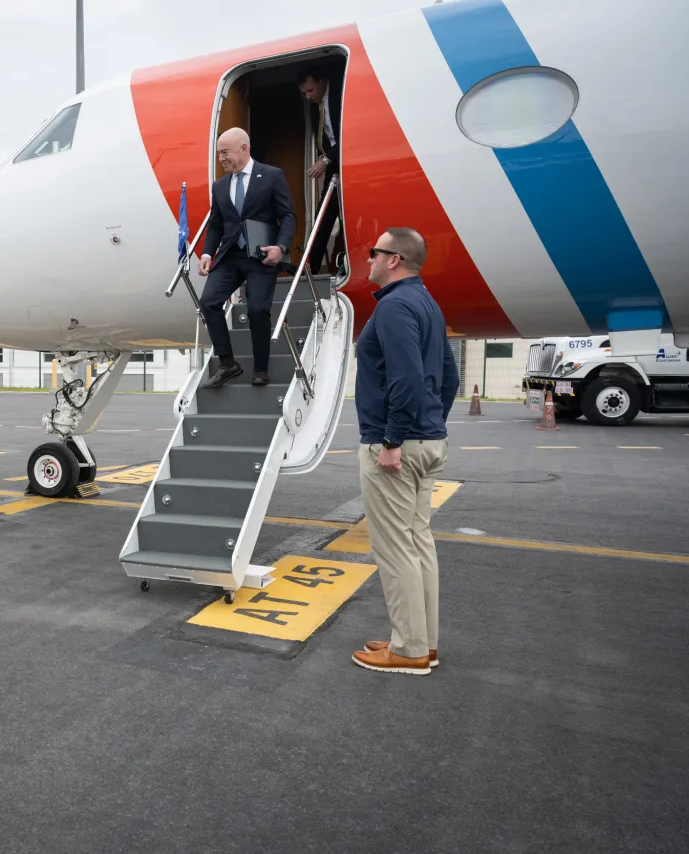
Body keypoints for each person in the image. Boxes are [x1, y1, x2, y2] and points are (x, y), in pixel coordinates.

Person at [350, 228, 459, 676]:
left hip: (396, 444)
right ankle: (422, 642)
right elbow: (447, 376)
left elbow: (406, 378)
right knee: (418, 544)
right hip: (428, 440)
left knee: (395, 550)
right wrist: (429, 424)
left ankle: (409, 650)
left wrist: (395, 438)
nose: (368, 259)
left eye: (373, 252)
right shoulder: (426, 303)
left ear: (393, 260)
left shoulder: (394, 306)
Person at [197, 127, 297, 389]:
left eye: (225, 152)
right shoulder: (219, 186)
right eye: (219, 154)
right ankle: (228, 363)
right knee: (208, 302)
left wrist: (280, 247)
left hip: (262, 256)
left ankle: (261, 368)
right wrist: (207, 252)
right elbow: (216, 225)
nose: (221, 158)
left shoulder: (272, 176)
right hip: (231, 255)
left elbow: (287, 216)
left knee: (257, 309)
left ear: (244, 149)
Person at [297, 68, 346, 274]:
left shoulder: (339, 94)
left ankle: (330, 264)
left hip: (342, 162)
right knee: (323, 218)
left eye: (310, 90)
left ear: (321, 80)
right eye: (305, 94)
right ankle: (311, 268)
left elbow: (345, 134)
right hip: (334, 164)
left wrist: (326, 159)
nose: (308, 97)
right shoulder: (320, 105)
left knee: (334, 217)